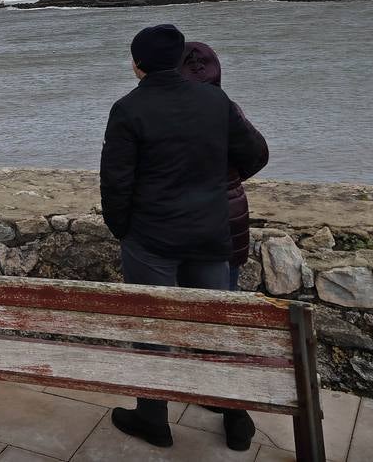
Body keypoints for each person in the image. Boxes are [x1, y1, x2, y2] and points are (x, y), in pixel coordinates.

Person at [100, 24, 267, 451]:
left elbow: (116, 183)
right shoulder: (215, 99)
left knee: (152, 326)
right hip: (210, 234)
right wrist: (213, 186)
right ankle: (236, 418)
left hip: (152, 239)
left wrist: (125, 230)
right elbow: (252, 153)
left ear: (137, 65)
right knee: (214, 327)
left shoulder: (128, 109)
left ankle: (153, 418)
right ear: (178, 59)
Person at [179, 41, 270, 290]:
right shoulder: (227, 107)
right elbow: (258, 155)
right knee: (225, 294)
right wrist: (231, 178)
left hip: (185, 222)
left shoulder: (169, 112)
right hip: (229, 215)